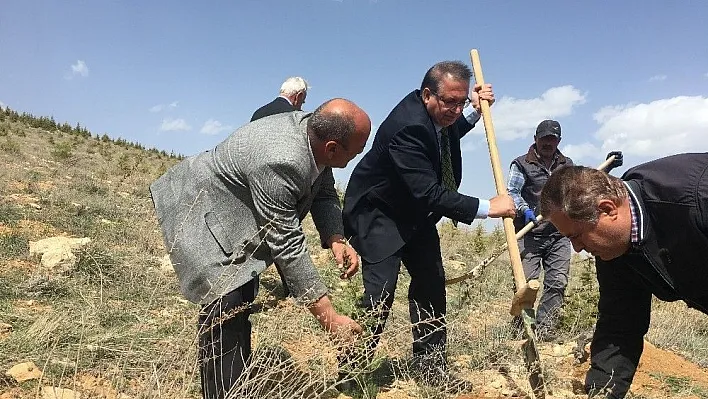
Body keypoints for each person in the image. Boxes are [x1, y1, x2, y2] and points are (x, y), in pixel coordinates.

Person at [150, 98, 370, 399]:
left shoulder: (314, 133)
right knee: (225, 309)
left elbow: (323, 190)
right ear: (332, 148)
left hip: (236, 215)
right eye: (357, 150)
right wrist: (330, 319)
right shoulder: (281, 160)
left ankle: (238, 384)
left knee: (242, 298)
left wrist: (335, 237)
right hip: (201, 212)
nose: (359, 154)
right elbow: (287, 244)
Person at [342, 61, 516, 382]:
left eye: (461, 101)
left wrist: (475, 111)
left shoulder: (436, 118)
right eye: (450, 101)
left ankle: (431, 371)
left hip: (415, 215)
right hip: (379, 215)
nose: (455, 109)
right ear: (427, 95)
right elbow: (429, 193)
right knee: (380, 296)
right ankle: (351, 372)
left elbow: (446, 135)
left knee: (432, 286)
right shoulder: (408, 126)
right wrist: (488, 207)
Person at [539, 152, 708, 399]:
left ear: (608, 209)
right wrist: (602, 394)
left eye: (576, 236)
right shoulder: (615, 249)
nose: (576, 248)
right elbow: (619, 326)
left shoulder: (695, 197)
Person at [507, 119, 573, 340]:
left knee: (557, 282)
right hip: (529, 235)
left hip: (558, 235)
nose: (547, 143)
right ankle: (522, 329)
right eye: (543, 138)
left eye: (552, 139)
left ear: (558, 141)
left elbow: (577, 189)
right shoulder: (521, 164)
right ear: (535, 139)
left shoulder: (567, 164)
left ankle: (545, 330)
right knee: (524, 285)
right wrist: (525, 209)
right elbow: (512, 193)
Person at [249, 76, 309, 297]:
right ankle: (295, 290)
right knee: (287, 236)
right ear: (298, 96)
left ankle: (248, 292)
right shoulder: (296, 117)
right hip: (283, 188)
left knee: (253, 241)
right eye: (303, 101)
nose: (303, 105)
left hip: (254, 186)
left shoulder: (258, 113)